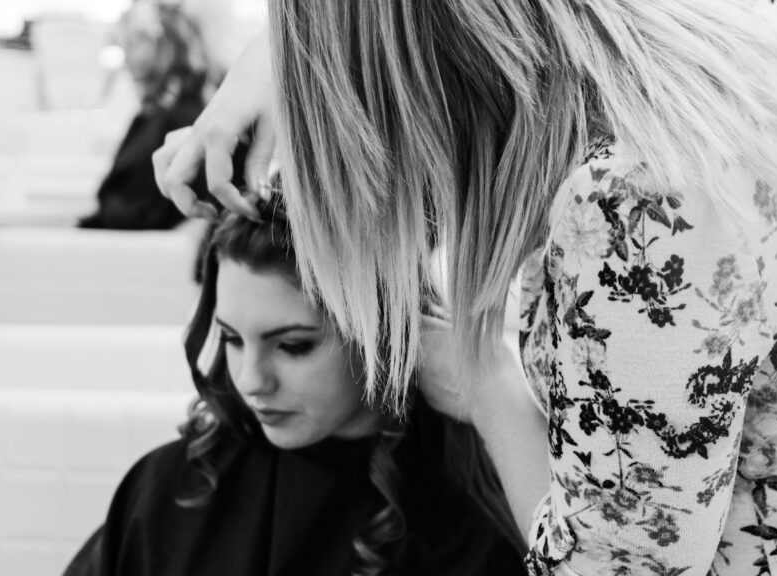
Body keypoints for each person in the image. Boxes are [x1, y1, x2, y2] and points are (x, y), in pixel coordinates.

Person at [152, 1, 777, 574]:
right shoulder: (763, 36)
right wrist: (281, 55)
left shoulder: (637, 199)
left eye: (295, 344)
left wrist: (487, 385)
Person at [63, 193, 527, 576]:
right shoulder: (172, 489)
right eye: (232, 339)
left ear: (385, 335)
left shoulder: (469, 523)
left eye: (293, 346)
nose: (251, 381)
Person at [0, 1, 222, 388]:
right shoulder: (161, 112)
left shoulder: (179, 119)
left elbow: (142, 210)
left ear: (165, 46)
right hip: (109, 235)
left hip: (119, 250)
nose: (126, 57)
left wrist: (80, 223)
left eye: (135, 44)